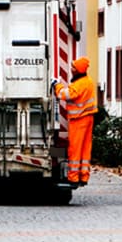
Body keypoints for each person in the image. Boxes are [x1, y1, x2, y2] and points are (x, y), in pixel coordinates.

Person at [53, 56, 97, 186]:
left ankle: (73, 178)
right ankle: (83, 176)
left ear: (78, 70)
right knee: (84, 149)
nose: (71, 69)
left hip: (79, 120)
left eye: (73, 67)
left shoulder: (80, 84)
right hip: (86, 118)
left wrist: (57, 85)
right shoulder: (87, 81)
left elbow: (64, 95)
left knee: (75, 149)